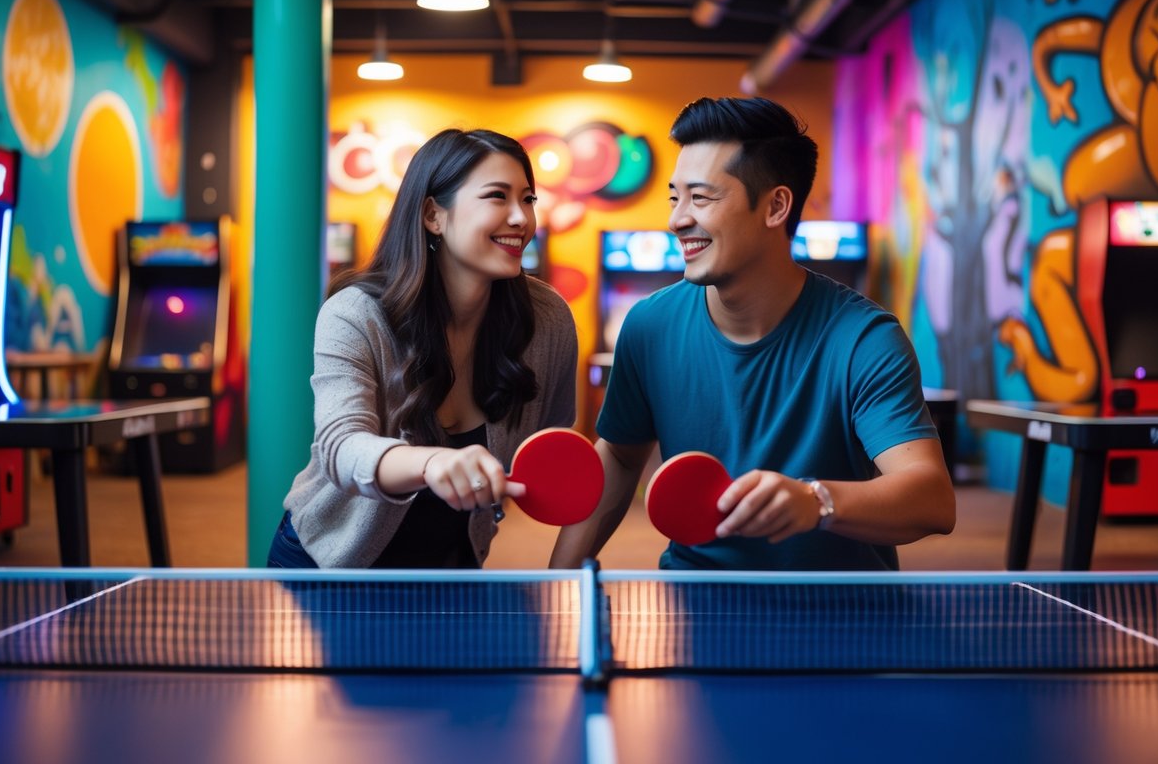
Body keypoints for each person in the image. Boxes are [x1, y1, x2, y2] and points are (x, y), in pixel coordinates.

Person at [550, 97, 955, 571]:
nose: (677, 219)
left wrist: (815, 502)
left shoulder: (865, 339)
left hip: (840, 610)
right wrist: (555, 582)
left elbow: (932, 499)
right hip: (697, 598)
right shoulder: (648, 327)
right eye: (674, 197)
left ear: (776, 206)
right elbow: (619, 457)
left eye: (700, 198)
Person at [269, 128, 578, 569]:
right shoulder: (354, 313)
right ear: (434, 215)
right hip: (328, 561)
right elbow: (341, 447)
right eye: (497, 196)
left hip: (450, 561)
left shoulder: (549, 320)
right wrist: (430, 462)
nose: (521, 219)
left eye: (528, 199)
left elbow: (550, 441)